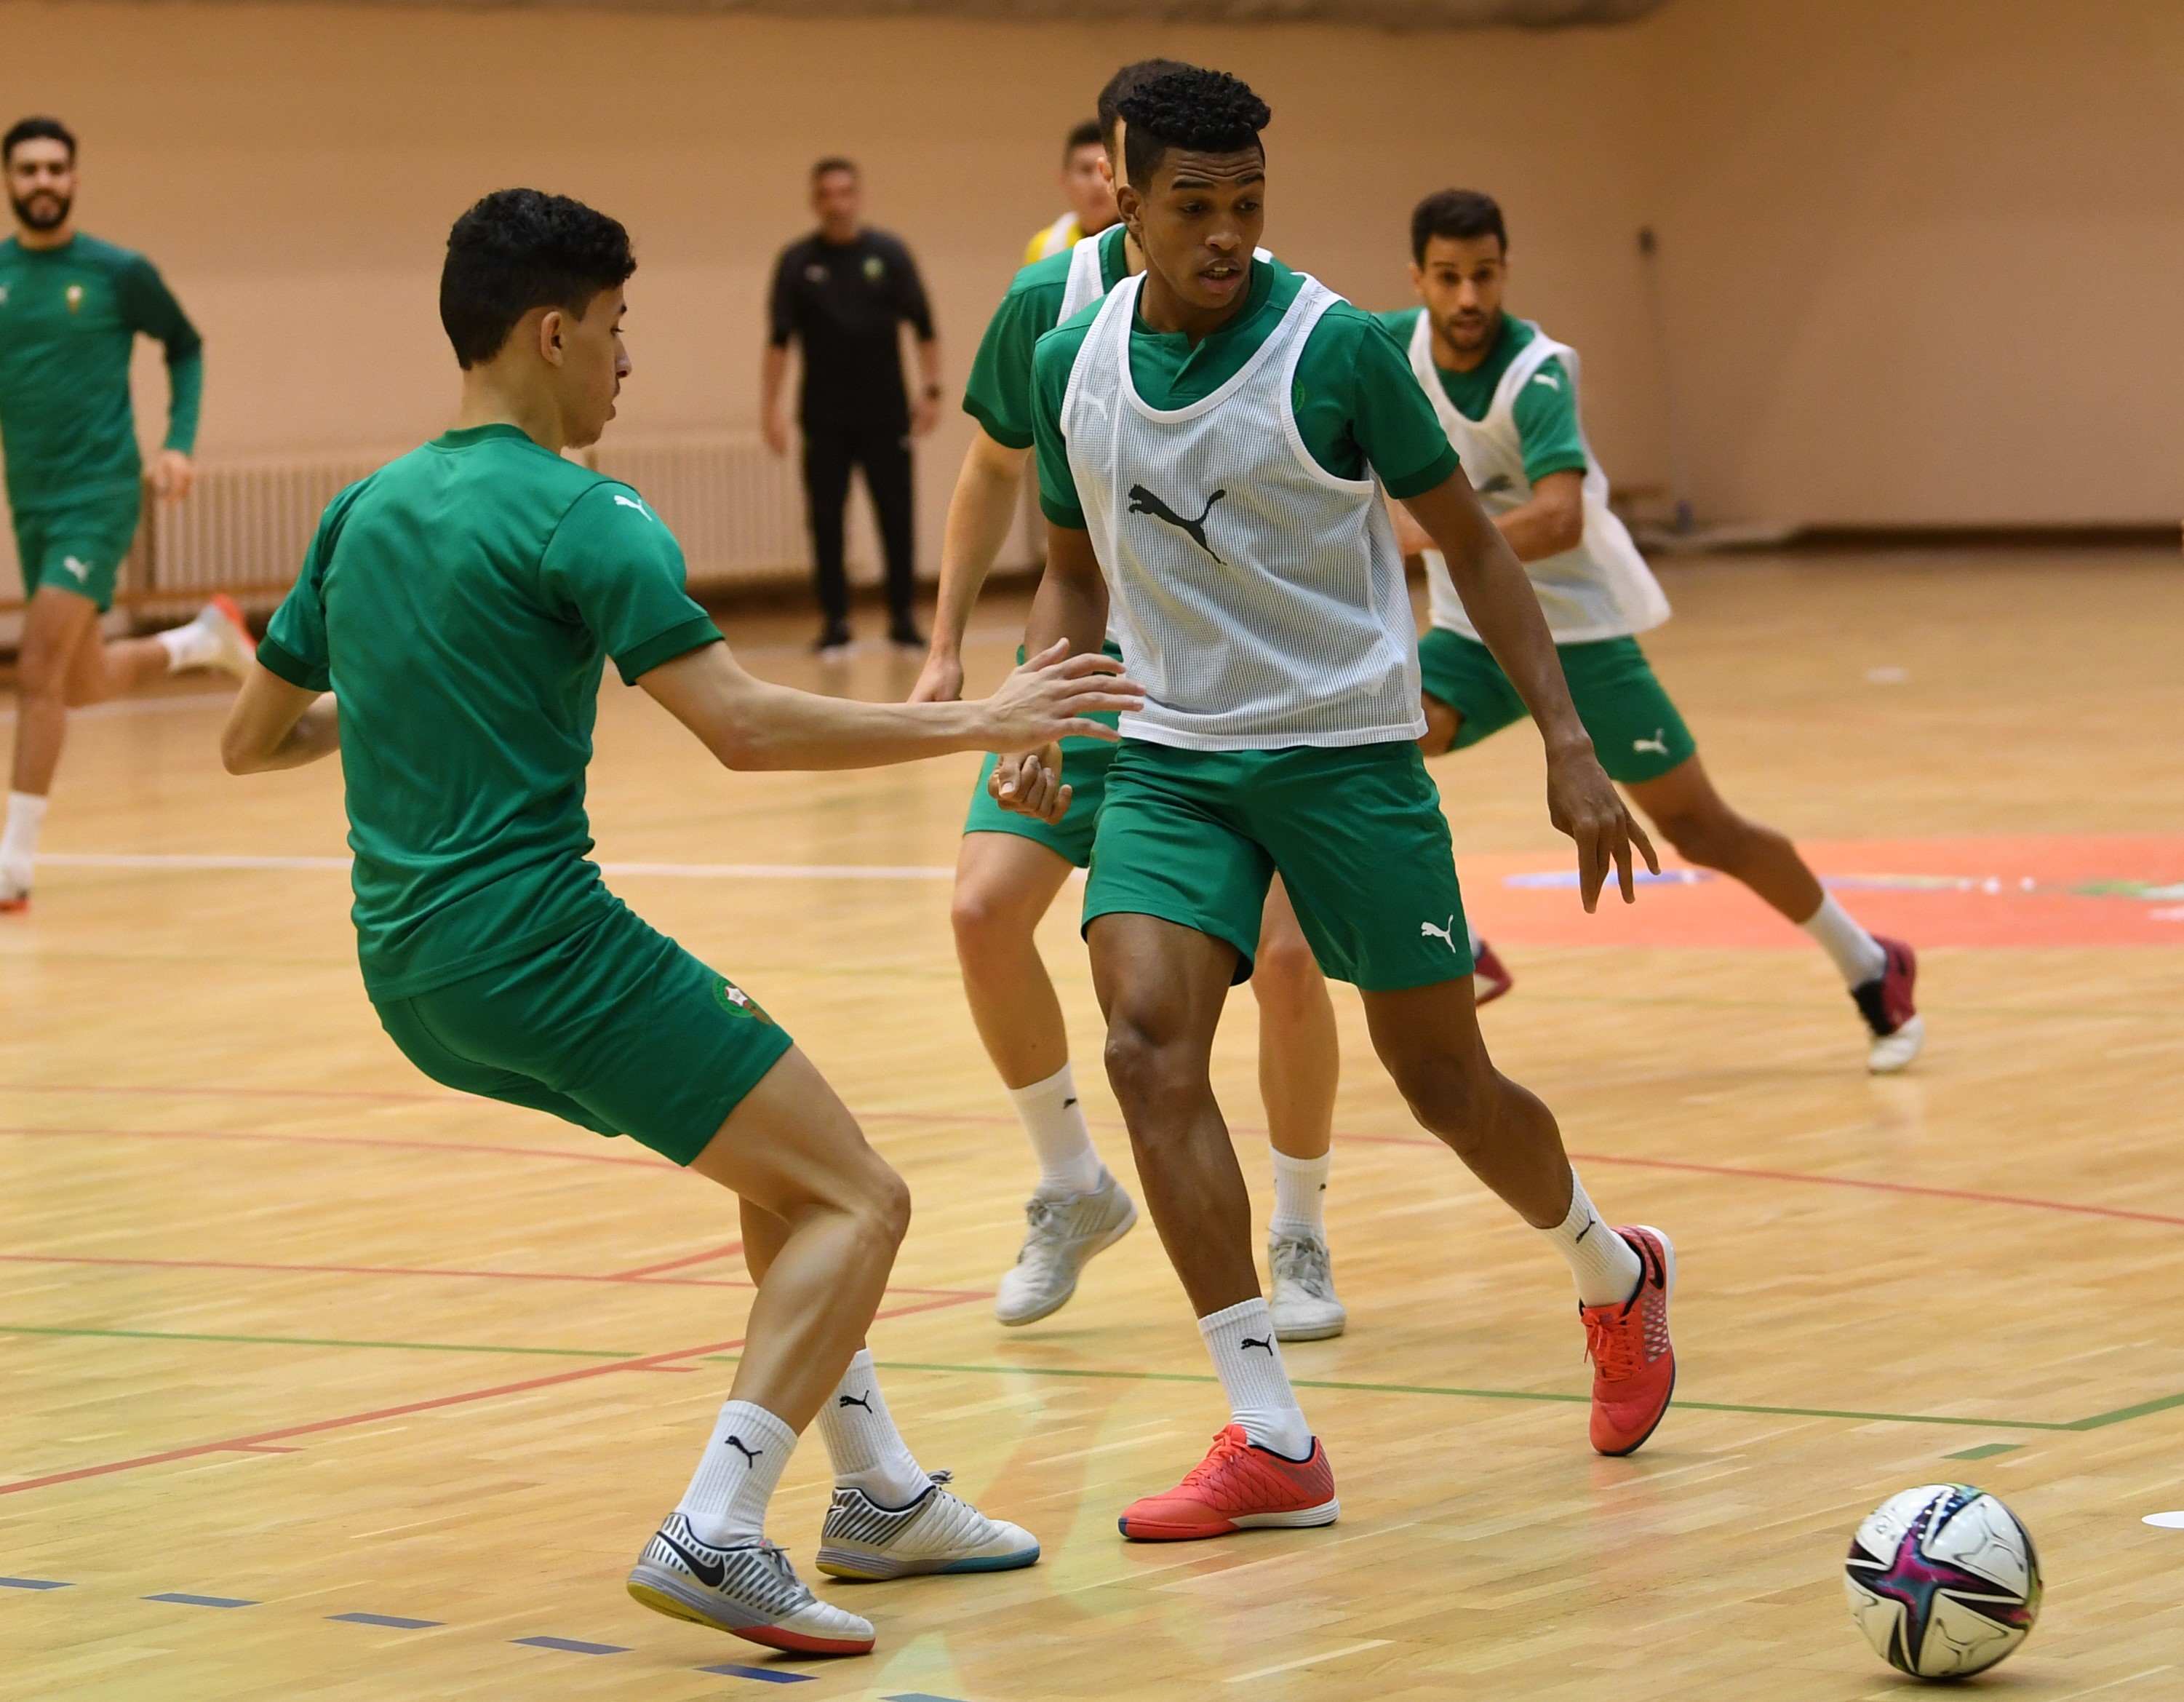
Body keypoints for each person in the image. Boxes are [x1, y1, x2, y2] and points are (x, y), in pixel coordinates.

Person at [220, 189, 1141, 1654]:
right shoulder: (590, 512)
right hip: (542, 948)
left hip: (411, 973)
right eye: (619, 328)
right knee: (864, 1197)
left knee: (779, 1170)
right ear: (551, 330)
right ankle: (719, 1524)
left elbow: (253, 740)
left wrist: (392, 699)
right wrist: (988, 714)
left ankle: (881, 1493)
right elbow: (745, 727)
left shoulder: (363, 506)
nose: (628, 361)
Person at [1007, 67, 1680, 1542]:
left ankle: (1611, 1269)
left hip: (1346, 751)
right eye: (1194, 205)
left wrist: (1566, 744)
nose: (1228, 233)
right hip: (1174, 752)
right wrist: (1046, 698)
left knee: (1443, 1084)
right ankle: (1267, 1430)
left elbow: (1480, 551)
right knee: (1143, 1045)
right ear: (1124, 200)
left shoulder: (1340, 350)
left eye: (1249, 203)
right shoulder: (1075, 353)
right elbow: (1065, 556)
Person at [912, 59, 1349, 1345]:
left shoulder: (1268, 306)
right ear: (1117, 175)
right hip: (1099, 662)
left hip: (1243, 687)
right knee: (983, 907)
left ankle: (1301, 1220)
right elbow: (991, 472)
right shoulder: (1047, 306)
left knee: (1280, 959)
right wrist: (949, 646)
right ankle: (1068, 1181)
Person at [1382, 189, 1921, 1073]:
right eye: (1448, 277)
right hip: (1474, 636)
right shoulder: (1383, 346)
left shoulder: (1539, 370)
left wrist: (1430, 531)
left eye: (1483, 275)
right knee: (1368, 743)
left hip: (1580, 634)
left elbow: (1556, 519)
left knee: (1703, 829)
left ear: (1505, 271)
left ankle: (1870, 960)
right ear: (1417, 279)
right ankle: (1456, 940)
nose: (1468, 296)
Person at [0, 115, 252, 910]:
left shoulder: (117, 272)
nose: (43, 182)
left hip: (100, 492)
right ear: (9, 181)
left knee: (35, 665)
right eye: (28, 170)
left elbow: (185, 343)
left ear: (74, 178)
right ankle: (198, 641)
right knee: (79, 681)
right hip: (32, 498)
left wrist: (178, 441)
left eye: (56, 169)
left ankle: (13, 864)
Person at [763, 158, 941, 656]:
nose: (837, 203)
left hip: (886, 416)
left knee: (896, 516)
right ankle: (836, 621)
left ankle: (903, 618)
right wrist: (770, 409)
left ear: (858, 197)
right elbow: (778, 341)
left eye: (845, 192)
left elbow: (925, 328)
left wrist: (932, 390)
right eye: (827, 194)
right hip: (824, 418)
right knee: (826, 520)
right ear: (815, 201)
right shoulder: (797, 262)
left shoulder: (889, 254)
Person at [1023, 119, 1118, 263]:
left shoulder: (1144, 242)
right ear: (1064, 180)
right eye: (1086, 170)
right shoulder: (1046, 248)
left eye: (1107, 170)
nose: (1098, 183)